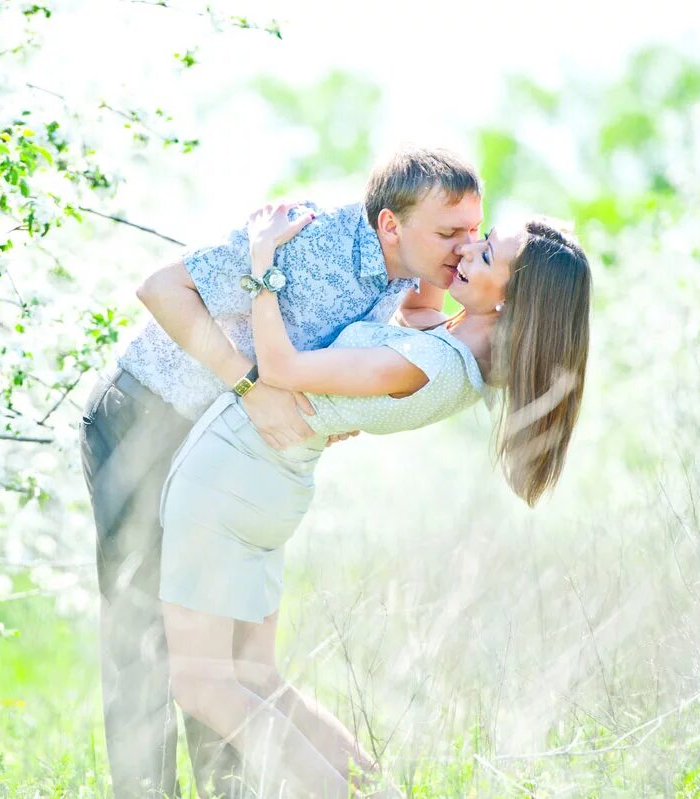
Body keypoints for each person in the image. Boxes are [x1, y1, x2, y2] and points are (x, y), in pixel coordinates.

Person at [79, 148, 483, 798]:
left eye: (473, 231)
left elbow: (405, 333)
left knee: (222, 654)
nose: (467, 247)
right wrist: (251, 386)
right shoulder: (306, 236)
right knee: (145, 632)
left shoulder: (408, 272)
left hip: (224, 459)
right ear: (390, 225)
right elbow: (160, 287)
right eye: (449, 234)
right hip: (147, 420)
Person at [157, 203, 592, 798]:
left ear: (513, 302)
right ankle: (376, 789)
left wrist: (263, 262)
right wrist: (426, 255)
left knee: (203, 685)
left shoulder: (431, 364)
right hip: (267, 483)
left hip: (231, 479)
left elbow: (280, 368)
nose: (467, 250)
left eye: (484, 253)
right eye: (473, 238)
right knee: (257, 677)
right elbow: (416, 308)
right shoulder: (459, 348)